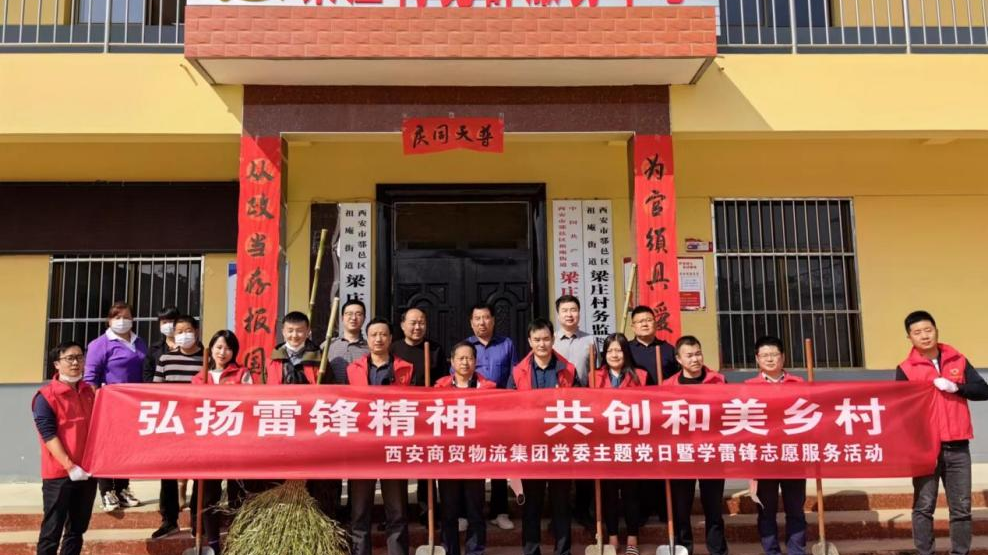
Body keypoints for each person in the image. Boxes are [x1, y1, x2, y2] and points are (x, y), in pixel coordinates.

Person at [896, 310, 988, 555]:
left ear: (936, 330)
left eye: (928, 330)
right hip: (926, 448)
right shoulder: (905, 369)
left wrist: (956, 387)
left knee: (961, 508)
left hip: (958, 445)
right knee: (924, 506)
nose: (924, 336)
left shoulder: (958, 359)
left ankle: (960, 552)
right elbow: (901, 410)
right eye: (917, 332)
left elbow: (983, 390)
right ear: (909, 337)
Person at [346, 317, 415, 555]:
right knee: (359, 512)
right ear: (367, 339)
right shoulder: (353, 369)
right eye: (374, 334)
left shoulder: (406, 368)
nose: (378, 339)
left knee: (397, 512)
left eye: (383, 334)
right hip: (362, 448)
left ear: (391, 338)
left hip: (392, 447)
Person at [508, 318, 577, 555]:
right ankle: (531, 551)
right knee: (532, 505)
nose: (542, 344)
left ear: (553, 339)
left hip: (560, 446)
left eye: (546, 339)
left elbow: (580, 404)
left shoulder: (568, 370)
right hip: (531, 447)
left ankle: (563, 551)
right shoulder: (518, 371)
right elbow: (509, 406)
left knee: (561, 504)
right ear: (529, 341)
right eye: (537, 339)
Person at [265, 311, 339, 520]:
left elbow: (330, 391)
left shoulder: (319, 358)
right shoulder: (273, 358)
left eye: (299, 331)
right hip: (282, 425)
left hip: (312, 426)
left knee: (316, 475)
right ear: (283, 331)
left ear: (308, 332)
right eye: (290, 330)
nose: (295, 335)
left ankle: (318, 517)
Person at [187, 330, 254, 555]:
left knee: (237, 494)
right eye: (218, 347)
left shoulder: (242, 374)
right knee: (208, 496)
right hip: (208, 446)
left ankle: (238, 541)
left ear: (234, 351)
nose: (222, 352)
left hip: (236, 443)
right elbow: (193, 408)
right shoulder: (200, 377)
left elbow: (249, 403)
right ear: (211, 349)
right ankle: (214, 544)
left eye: (227, 348)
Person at [663, 336, 729, 555]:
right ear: (678, 359)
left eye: (698, 353)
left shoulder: (718, 381)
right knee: (681, 510)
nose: (695, 359)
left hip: (711, 453)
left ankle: (717, 550)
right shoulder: (668, 386)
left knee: (714, 509)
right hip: (682, 454)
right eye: (689, 355)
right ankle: (683, 548)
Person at [33, 341, 97, 555]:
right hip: (59, 473)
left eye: (79, 357)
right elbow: (48, 434)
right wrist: (69, 466)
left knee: (77, 530)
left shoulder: (89, 392)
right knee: (52, 531)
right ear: (57, 364)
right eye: (69, 358)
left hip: (87, 471)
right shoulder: (46, 396)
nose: (75, 363)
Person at [83, 301, 147, 511]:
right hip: (109, 406)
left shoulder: (139, 342)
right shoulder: (100, 344)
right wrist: (96, 404)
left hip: (133, 405)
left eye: (126, 317)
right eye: (117, 317)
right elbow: (90, 378)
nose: (122, 321)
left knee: (126, 448)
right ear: (109, 320)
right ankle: (106, 490)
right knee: (107, 447)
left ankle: (122, 488)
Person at [745, 335, 805, 555]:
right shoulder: (748, 387)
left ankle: (796, 550)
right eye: (765, 355)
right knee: (766, 511)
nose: (770, 359)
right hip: (764, 457)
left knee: (795, 509)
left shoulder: (799, 384)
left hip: (793, 456)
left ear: (783, 357)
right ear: (757, 359)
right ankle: (771, 551)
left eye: (774, 354)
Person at [435, 341, 496, 555]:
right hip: (448, 458)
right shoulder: (439, 388)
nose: (464, 362)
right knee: (449, 511)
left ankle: (475, 550)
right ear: (452, 362)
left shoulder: (488, 388)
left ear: (475, 361)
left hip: (475, 458)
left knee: (475, 510)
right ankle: (449, 550)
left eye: (469, 358)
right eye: (460, 358)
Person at [590, 334, 647, 555]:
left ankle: (632, 538)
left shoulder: (641, 375)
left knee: (632, 493)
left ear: (626, 352)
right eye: (610, 350)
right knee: (609, 493)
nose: (614, 355)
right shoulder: (594, 376)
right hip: (605, 445)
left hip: (631, 444)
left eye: (619, 350)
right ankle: (612, 537)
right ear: (604, 354)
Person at [150, 315, 203, 539]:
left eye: (188, 330)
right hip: (172, 423)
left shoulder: (207, 358)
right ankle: (169, 520)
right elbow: (156, 392)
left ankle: (198, 520)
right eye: (179, 332)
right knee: (168, 473)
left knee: (201, 473)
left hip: (200, 423)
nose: (184, 335)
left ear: (196, 331)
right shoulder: (165, 359)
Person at [465, 302, 517, 531]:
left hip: (499, 412)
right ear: (471, 322)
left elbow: (514, 375)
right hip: (472, 413)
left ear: (493, 321)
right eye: (477, 318)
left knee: (499, 460)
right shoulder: (465, 346)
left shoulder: (506, 344)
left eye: (486, 318)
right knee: (470, 462)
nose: (482, 322)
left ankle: (500, 511)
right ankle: (468, 512)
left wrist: (507, 402)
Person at [391, 307, 446, 524]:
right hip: (400, 415)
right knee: (399, 465)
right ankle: (397, 513)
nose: (417, 327)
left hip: (427, 415)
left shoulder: (435, 349)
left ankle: (427, 512)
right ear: (402, 325)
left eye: (421, 322)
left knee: (426, 465)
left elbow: (443, 382)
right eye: (413, 322)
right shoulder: (393, 348)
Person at [626, 305, 676, 523]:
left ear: (656, 323)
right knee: (642, 461)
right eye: (640, 321)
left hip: (663, 414)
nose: (645, 324)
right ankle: (643, 510)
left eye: (648, 320)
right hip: (636, 415)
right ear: (633, 326)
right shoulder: (626, 350)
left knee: (662, 461)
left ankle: (665, 510)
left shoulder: (668, 350)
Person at [551, 295, 596, 528]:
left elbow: (596, 372)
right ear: (558, 314)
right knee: (558, 462)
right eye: (565, 310)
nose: (569, 314)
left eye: (574, 310)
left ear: (579, 312)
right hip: (555, 410)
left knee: (583, 459)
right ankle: (558, 513)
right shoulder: (550, 341)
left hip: (583, 408)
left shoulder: (590, 340)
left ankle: (582, 509)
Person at [325, 299, 370, 385]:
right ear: (342, 318)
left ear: (364, 318)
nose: (353, 318)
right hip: (334, 393)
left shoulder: (370, 348)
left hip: (360, 392)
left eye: (358, 314)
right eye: (349, 314)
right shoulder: (328, 345)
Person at [142, 306, 181, 383]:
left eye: (171, 321)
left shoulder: (190, 346)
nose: (168, 325)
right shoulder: (154, 349)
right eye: (164, 322)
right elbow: (147, 374)